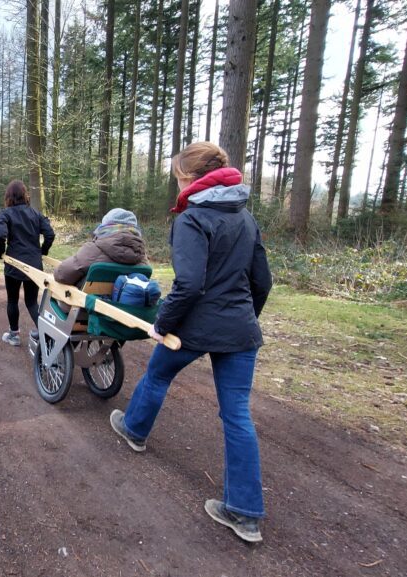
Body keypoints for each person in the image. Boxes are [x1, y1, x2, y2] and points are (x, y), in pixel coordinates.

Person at [107, 142, 273, 544]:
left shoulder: (192, 219)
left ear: (190, 178)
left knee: (158, 374)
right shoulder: (246, 218)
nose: (176, 183)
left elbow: (190, 283)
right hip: (240, 329)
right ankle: (245, 513)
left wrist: (161, 324)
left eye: (178, 176)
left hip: (194, 327)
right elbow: (261, 281)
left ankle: (134, 430)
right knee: (237, 415)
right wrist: (244, 319)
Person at [0, 180, 55, 346]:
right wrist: (42, 251)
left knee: (12, 300)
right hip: (34, 266)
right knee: (31, 302)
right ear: (25, 195)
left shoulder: (5, 214)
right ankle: (46, 335)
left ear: (9, 196)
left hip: (14, 264)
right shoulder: (35, 213)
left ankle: (14, 336)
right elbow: (50, 234)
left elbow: (0, 235)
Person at [53, 208, 147, 286]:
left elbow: (62, 274)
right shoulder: (141, 255)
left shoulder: (94, 248)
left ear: (105, 226)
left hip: (92, 305)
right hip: (124, 304)